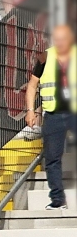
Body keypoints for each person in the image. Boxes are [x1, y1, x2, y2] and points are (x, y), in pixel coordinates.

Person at [26, 23, 75, 208]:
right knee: (52, 158)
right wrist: (30, 110)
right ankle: (57, 199)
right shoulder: (45, 57)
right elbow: (32, 85)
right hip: (53, 114)